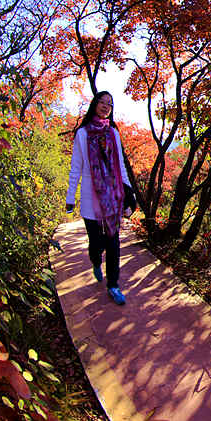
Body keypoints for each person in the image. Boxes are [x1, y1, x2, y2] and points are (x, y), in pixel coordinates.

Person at [65, 91, 135, 305]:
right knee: (96, 243)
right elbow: (76, 167)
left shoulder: (113, 132)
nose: (106, 106)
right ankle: (95, 260)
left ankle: (113, 285)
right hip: (90, 196)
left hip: (112, 194)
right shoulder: (83, 134)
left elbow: (120, 164)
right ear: (94, 104)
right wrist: (70, 197)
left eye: (110, 103)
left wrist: (129, 191)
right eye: (102, 102)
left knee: (113, 241)